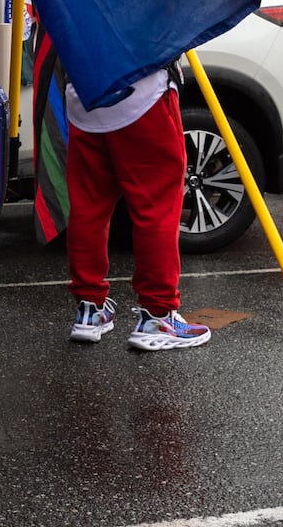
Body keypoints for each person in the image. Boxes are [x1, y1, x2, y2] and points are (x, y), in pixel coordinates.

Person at [66, 60, 211, 351]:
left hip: (84, 91)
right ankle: (157, 315)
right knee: (157, 207)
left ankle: (89, 308)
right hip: (142, 90)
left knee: (88, 207)